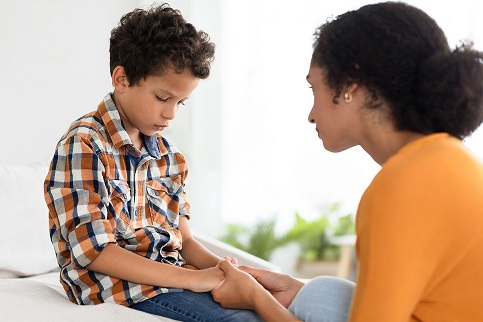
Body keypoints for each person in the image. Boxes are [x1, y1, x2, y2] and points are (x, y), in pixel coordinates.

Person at [211, 2, 483, 322]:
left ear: (350, 84)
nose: (311, 115)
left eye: (315, 88)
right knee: (320, 292)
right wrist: (297, 291)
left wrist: (254, 296)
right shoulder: (453, 160)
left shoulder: (401, 186)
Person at [43, 4, 261, 321]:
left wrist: (224, 270)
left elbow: (184, 240)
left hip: (173, 280)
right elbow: (95, 251)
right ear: (122, 78)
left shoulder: (170, 157)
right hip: (120, 290)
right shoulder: (85, 144)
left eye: (181, 102)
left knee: (265, 309)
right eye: (163, 98)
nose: (171, 114)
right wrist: (194, 279)